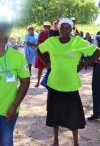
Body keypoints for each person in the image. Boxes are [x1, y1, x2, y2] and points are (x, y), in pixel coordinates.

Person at [37, 18, 100, 146]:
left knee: (73, 116)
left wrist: (83, 64)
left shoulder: (78, 41)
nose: (65, 30)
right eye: (62, 28)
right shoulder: (52, 41)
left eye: (67, 28)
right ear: (58, 29)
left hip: (70, 85)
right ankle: (55, 141)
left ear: (71, 29)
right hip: (54, 83)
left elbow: (97, 51)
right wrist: (47, 63)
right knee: (54, 114)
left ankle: (76, 142)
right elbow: (38, 50)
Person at [87, 31, 100, 121]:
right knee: (96, 89)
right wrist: (92, 58)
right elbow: (93, 48)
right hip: (98, 65)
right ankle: (97, 113)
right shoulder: (98, 34)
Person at [35, 22, 51, 87]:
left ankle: (48, 82)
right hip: (41, 52)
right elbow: (38, 42)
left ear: (50, 27)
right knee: (40, 68)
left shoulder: (51, 33)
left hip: (49, 53)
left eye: (48, 26)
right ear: (44, 27)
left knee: (49, 68)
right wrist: (44, 44)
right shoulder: (41, 33)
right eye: (45, 26)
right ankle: (38, 81)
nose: (47, 27)